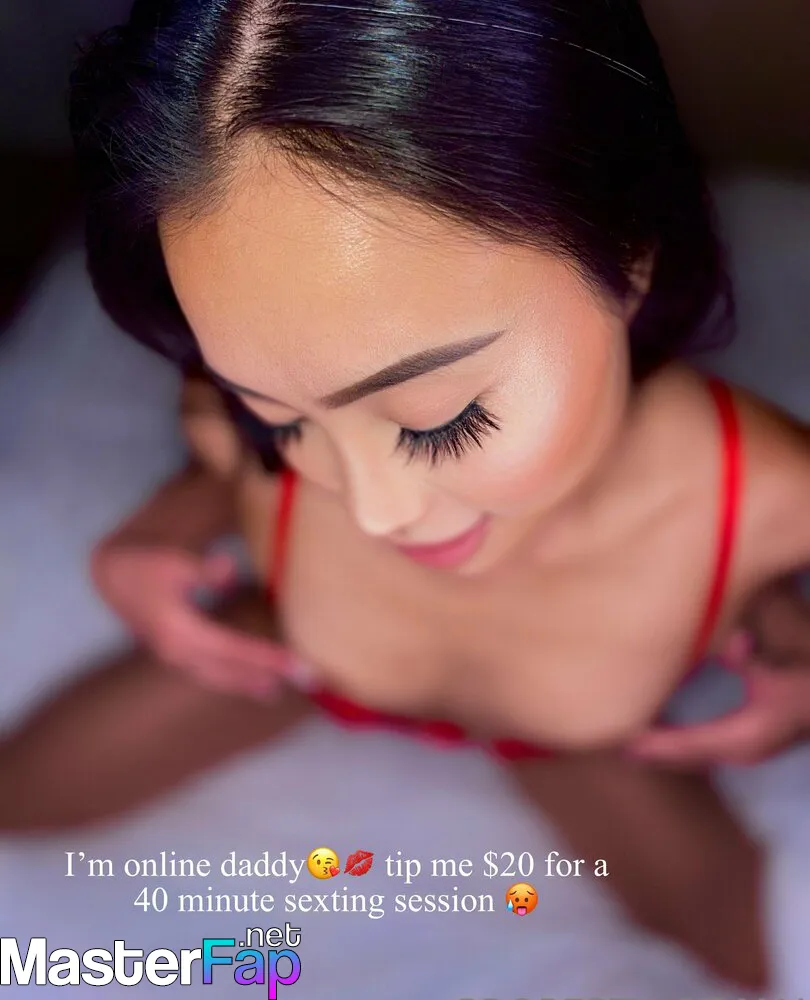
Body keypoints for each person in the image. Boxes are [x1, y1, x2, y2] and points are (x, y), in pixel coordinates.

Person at [8, 0, 810, 988]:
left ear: (629, 264)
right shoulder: (224, 417)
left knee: (743, 957)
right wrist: (147, 543)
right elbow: (215, 463)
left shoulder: (769, 492)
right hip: (291, 656)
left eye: (438, 420)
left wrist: (787, 644)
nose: (371, 512)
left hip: (576, 739)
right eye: (281, 421)